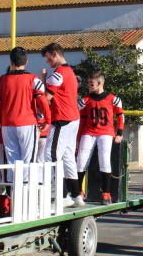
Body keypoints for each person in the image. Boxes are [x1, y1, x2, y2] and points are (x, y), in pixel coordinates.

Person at [0, 47, 51, 171]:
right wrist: (48, 120)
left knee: (13, 164)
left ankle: (14, 190)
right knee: (29, 163)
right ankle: (27, 189)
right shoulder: (34, 79)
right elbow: (42, 101)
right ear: (26, 62)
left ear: (10, 61)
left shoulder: (0, 81)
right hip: (28, 124)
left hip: (7, 125)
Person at [41, 43, 83, 206]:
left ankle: (60, 196)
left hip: (63, 120)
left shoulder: (58, 74)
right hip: (72, 119)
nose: (48, 62)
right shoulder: (70, 71)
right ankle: (75, 195)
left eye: (48, 58)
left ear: (55, 53)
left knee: (51, 156)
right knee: (67, 158)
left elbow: (46, 98)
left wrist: (43, 80)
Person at [76, 69, 124, 204]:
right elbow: (80, 120)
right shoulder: (85, 100)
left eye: (91, 84)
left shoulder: (113, 99)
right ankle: (78, 191)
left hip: (106, 132)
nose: (89, 86)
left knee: (104, 160)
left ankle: (106, 193)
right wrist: (78, 138)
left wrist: (119, 132)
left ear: (100, 83)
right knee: (81, 161)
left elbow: (120, 116)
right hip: (88, 131)